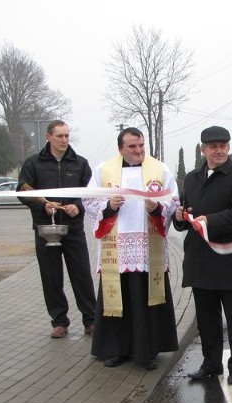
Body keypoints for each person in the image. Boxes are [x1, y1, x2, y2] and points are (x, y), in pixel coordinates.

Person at [84, 127, 180, 370]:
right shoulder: (103, 170)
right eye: (132, 147)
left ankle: (147, 351)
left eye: (141, 145)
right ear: (120, 149)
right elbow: (88, 200)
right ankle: (115, 350)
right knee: (119, 298)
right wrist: (108, 205)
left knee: (146, 299)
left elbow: (173, 201)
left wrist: (155, 209)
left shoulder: (160, 169)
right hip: (116, 247)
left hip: (149, 248)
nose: (139, 151)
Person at [173, 126, 232, 385]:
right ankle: (211, 364)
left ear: (229, 148)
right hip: (199, 258)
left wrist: (210, 220)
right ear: (203, 149)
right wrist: (180, 218)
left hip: (228, 258)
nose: (219, 150)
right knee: (206, 319)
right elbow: (186, 215)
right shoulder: (192, 178)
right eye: (213, 146)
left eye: (223, 145)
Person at [18, 120, 96, 338]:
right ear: (48, 137)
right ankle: (59, 321)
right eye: (59, 136)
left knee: (81, 275)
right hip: (45, 228)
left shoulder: (80, 163)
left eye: (67, 136)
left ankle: (91, 320)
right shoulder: (33, 164)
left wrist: (77, 206)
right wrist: (43, 205)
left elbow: (90, 194)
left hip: (73, 228)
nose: (64, 140)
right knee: (51, 277)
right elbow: (22, 191)